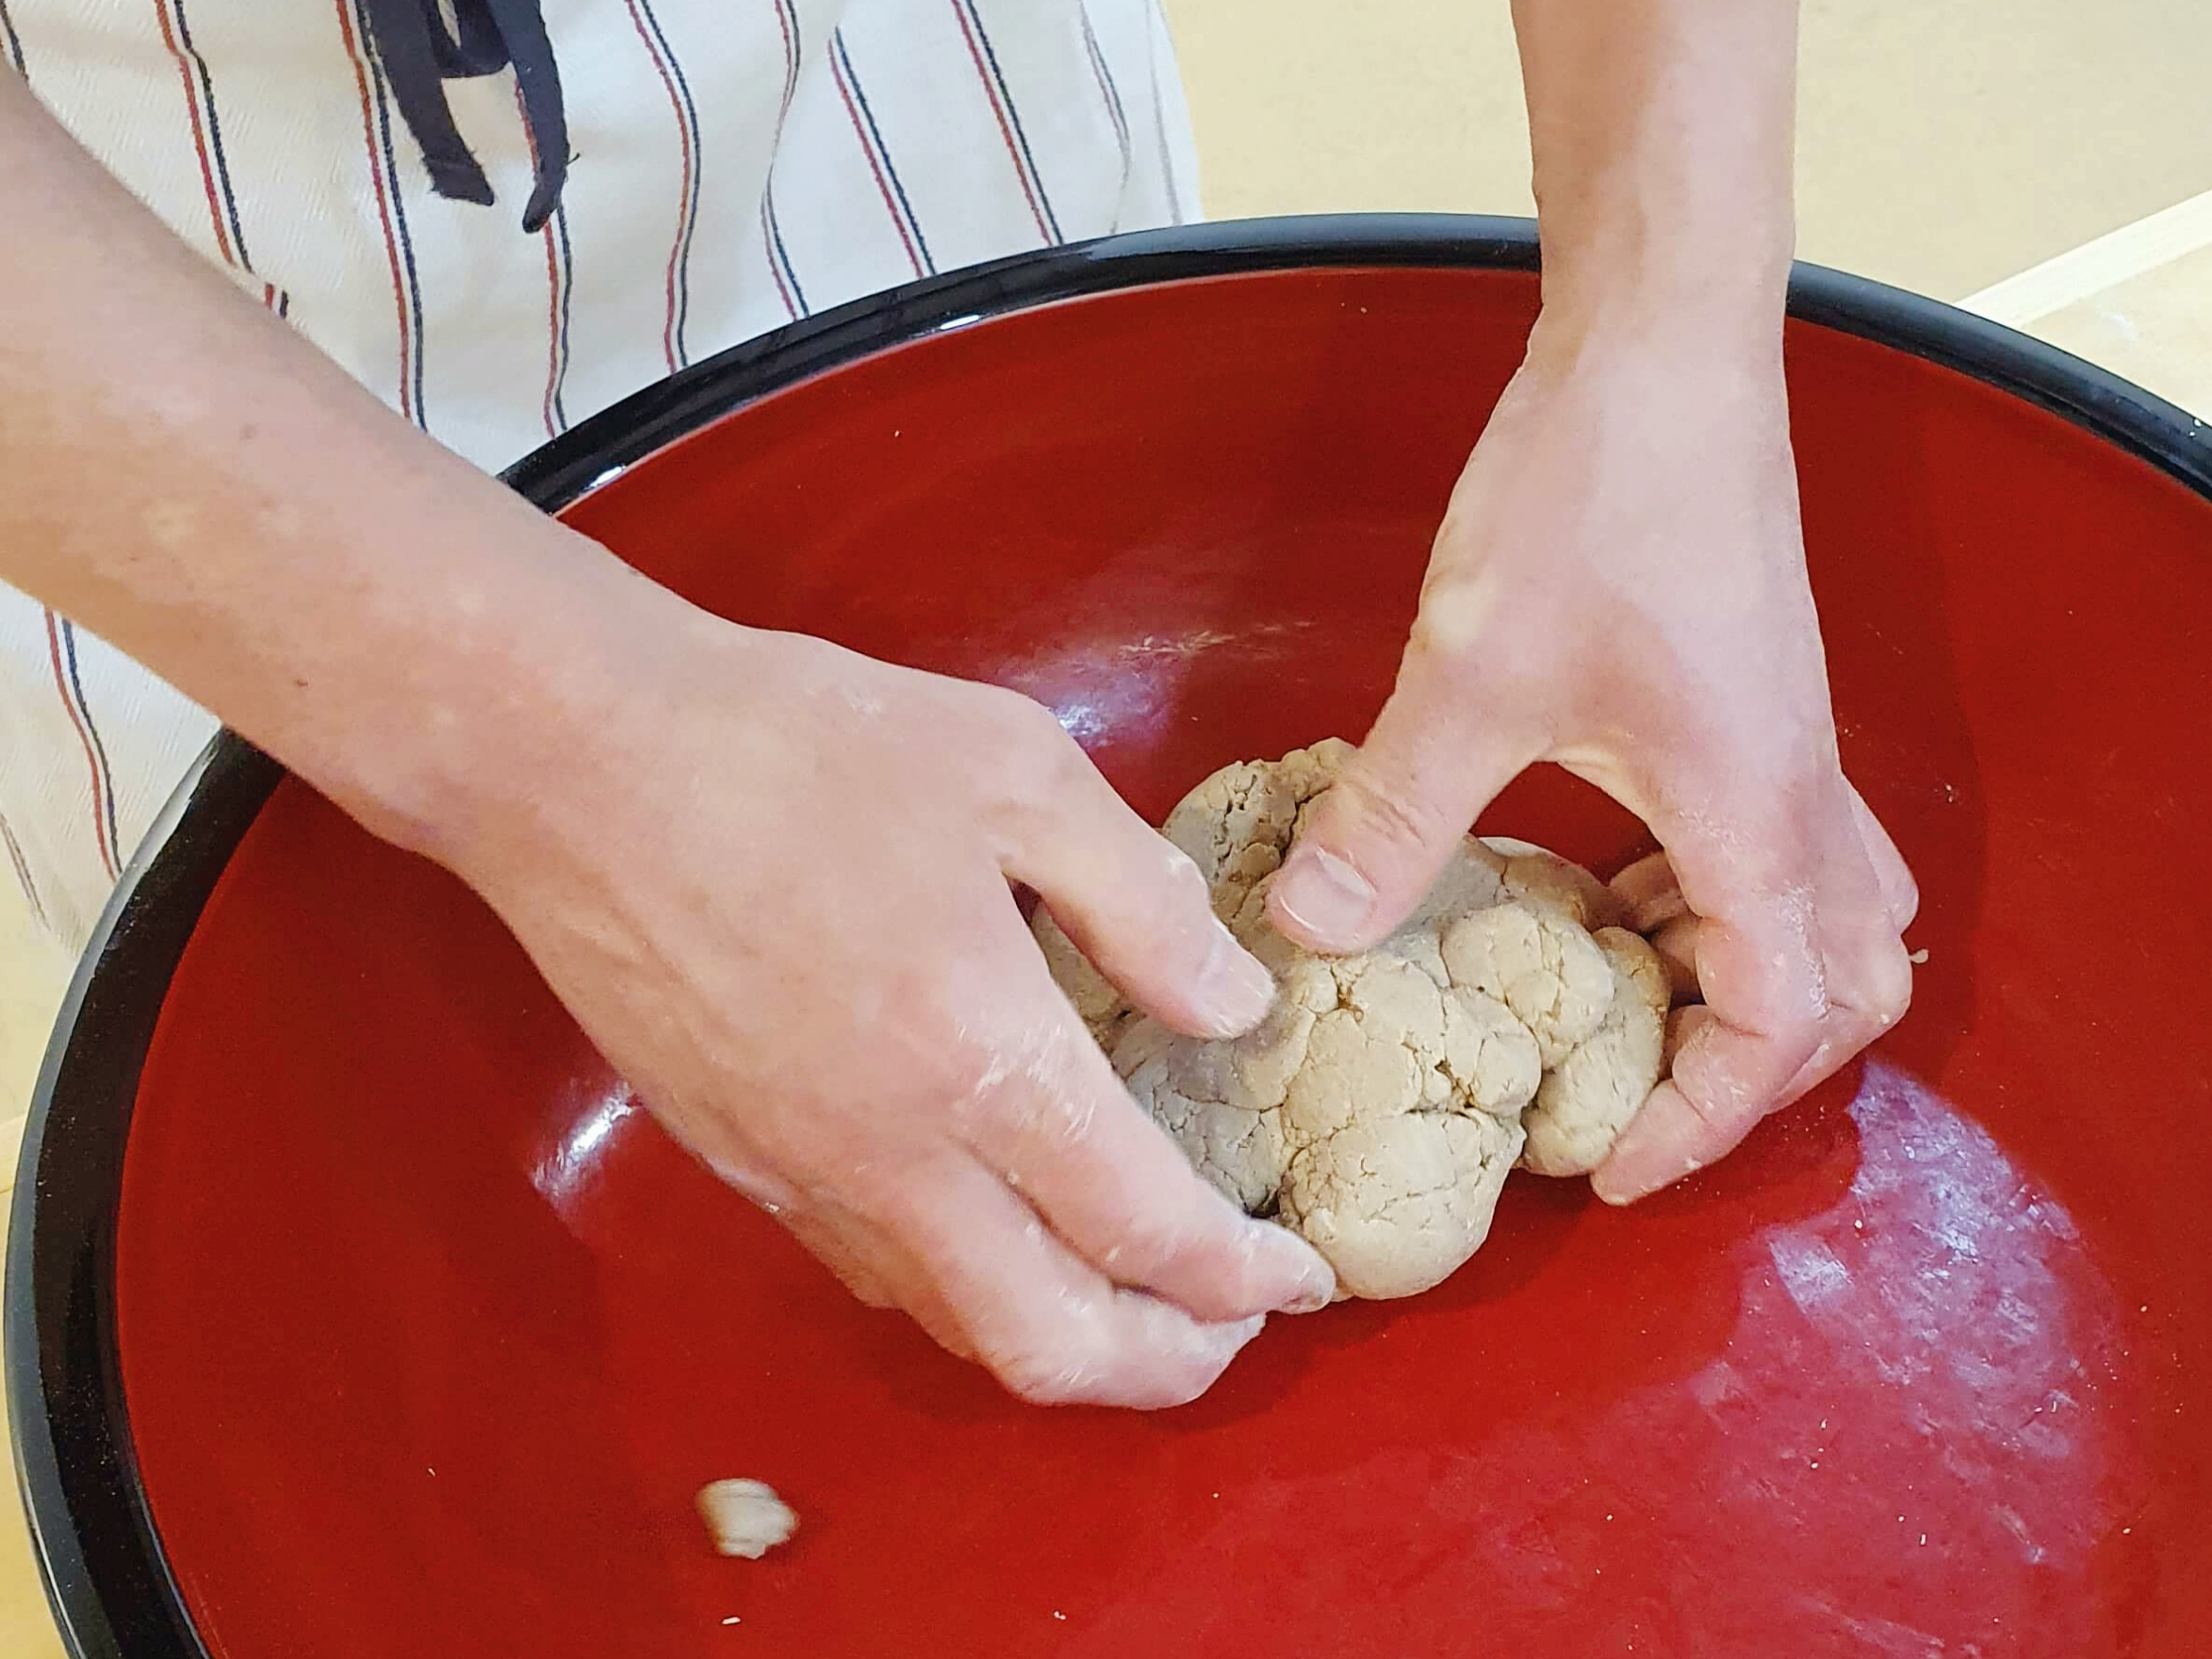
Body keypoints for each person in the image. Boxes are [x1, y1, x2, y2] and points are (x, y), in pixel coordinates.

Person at [0, 0, 1915, 1409]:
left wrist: (1668, 330)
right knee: (365, 1284)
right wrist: (554, 745)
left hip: (931, 120)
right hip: (181, 394)